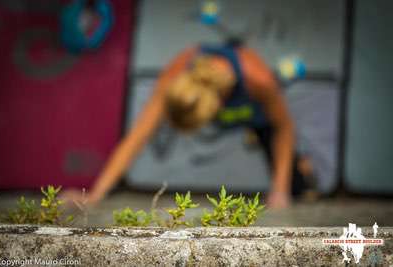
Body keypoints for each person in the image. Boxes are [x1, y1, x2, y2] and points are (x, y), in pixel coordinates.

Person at [62, 44, 315, 209]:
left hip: (261, 118)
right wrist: (95, 195)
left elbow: (284, 128)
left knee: (294, 187)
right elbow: (137, 136)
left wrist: (280, 192)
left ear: (219, 106)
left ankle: (302, 166)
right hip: (222, 97)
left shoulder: (258, 80)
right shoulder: (174, 79)